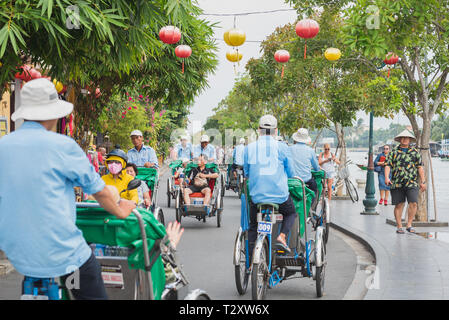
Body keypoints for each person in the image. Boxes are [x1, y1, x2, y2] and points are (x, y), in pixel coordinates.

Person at [0, 78, 137, 300]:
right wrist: (121, 210)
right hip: (62, 252)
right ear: (53, 114)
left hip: (16, 251)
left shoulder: (3, 146)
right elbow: (101, 192)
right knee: (86, 273)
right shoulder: (63, 146)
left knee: (35, 275)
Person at [244, 115, 296, 254]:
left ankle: (250, 266)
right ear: (276, 131)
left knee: (253, 226)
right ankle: (282, 235)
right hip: (280, 196)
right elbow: (291, 173)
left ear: (259, 130)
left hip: (257, 197)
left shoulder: (249, 148)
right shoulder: (283, 147)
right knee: (291, 213)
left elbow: (246, 172)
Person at [385, 130, 426, 234]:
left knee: (413, 203)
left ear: (410, 140)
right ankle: (399, 226)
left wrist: (423, 181)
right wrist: (386, 177)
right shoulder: (393, 152)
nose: (405, 139)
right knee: (399, 205)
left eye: (407, 138)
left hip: (412, 182)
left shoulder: (415, 152)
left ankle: (409, 224)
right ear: (399, 140)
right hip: (397, 182)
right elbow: (388, 165)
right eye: (402, 138)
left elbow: (420, 167)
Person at [289, 128, 321, 202]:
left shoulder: (289, 149)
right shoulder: (310, 151)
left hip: (292, 181)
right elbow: (317, 168)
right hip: (307, 182)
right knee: (315, 189)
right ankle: (311, 208)